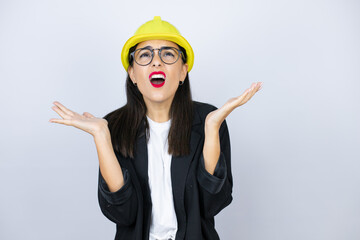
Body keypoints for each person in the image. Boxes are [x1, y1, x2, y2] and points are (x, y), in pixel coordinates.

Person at [49, 16, 262, 240]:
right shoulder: (114, 126)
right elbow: (124, 213)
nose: (156, 62)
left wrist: (211, 128)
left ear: (183, 71)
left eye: (168, 54)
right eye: (145, 55)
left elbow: (212, 205)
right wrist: (102, 135)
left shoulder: (209, 119)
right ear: (132, 74)